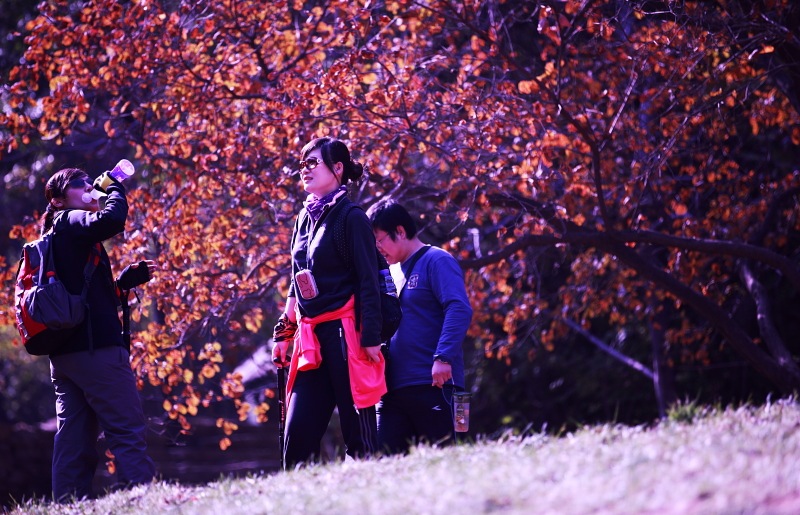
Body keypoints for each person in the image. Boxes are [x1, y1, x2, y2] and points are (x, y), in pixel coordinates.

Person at [41, 167, 156, 501]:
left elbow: (83, 298)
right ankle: (145, 499)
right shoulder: (69, 220)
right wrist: (116, 190)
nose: (89, 186)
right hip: (96, 353)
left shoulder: (62, 238)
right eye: (80, 184)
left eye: (90, 181)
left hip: (66, 355)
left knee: (73, 439)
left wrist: (121, 284)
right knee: (126, 428)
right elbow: (112, 221)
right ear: (58, 200)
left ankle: (66, 506)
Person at [271, 137, 386, 468]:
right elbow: (296, 280)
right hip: (310, 339)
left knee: (360, 439)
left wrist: (371, 339)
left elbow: (369, 281)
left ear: (337, 168)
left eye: (312, 163)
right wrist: (284, 334)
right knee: (297, 441)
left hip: (347, 335)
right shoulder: (302, 219)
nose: (304, 170)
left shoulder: (352, 217)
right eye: (302, 164)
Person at [367, 200, 473, 454]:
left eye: (379, 240)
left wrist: (444, 357)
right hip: (392, 392)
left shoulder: (437, 260)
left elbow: (459, 308)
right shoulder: (390, 274)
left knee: (450, 462)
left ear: (400, 231)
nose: (377, 248)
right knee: (382, 464)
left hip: (438, 385)